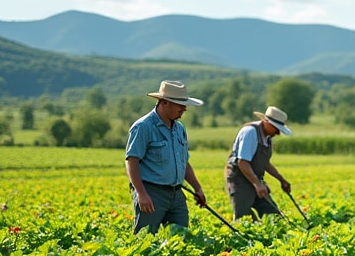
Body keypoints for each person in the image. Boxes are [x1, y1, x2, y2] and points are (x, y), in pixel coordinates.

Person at [125, 80, 206, 234]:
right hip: (151, 193)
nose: (184, 109)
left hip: (176, 194)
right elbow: (132, 162)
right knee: (146, 240)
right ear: (164, 102)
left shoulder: (179, 129)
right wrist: (141, 194)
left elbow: (184, 162)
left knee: (181, 240)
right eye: (179, 104)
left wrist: (197, 188)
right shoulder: (143, 126)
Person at [226, 106, 294, 220]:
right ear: (266, 122)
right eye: (276, 128)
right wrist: (257, 184)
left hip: (255, 179)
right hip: (240, 180)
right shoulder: (250, 132)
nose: (277, 133)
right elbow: (242, 162)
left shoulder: (267, 137)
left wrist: (281, 180)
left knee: (273, 215)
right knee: (243, 218)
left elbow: (264, 163)